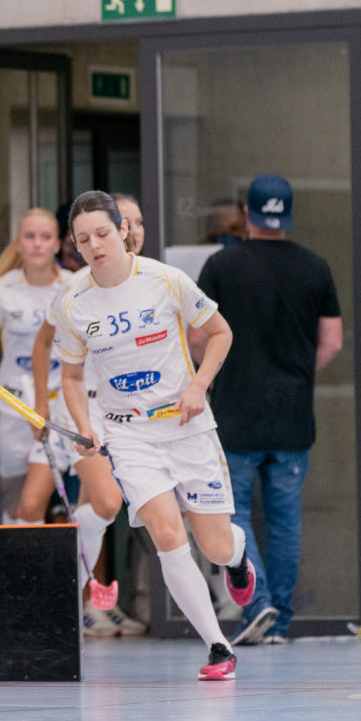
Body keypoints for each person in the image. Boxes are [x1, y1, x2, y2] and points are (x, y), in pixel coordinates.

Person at [54, 190, 256, 681]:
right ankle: (218, 646)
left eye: (103, 233)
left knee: (213, 544)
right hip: (128, 436)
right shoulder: (73, 304)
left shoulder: (167, 281)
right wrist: (86, 427)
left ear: (123, 229)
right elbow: (73, 378)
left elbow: (222, 333)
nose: (95, 245)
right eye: (84, 240)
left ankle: (237, 555)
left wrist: (198, 386)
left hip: (187, 427)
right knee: (167, 535)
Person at [195, 174, 342, 646]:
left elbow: (198, 338)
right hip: (292, 417)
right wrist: (297, 371)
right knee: (284, 520)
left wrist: (215, 373)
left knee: (230, 514)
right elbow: (332, 342)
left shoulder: (220, 265)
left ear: (247, 215)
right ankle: (277, 622)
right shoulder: (315, 268)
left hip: (235, 413)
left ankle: (255, 605)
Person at [29, 193, 145, 639]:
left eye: (134, 222)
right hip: (84, 409)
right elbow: (44, 343)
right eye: (90, 235)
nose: (127, 230)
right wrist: (41, 402)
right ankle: (62, 601)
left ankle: (59, 606)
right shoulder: (76, 286)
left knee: (94, 512)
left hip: (132, 414)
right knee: (109, 501)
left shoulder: (154, 281)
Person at [0, 208, 71, 525]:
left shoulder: (72, 288)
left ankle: (33, 573)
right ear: (18, 244)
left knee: (32, 506)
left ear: (58, 244)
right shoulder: (1, 290)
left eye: (45, 237)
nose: (37, 244)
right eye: (29, 237)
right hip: (11, 405)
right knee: (14, 506)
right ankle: (15, 572)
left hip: (57, 409)